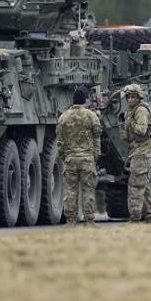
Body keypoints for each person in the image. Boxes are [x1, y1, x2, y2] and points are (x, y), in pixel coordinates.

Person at [56, 85, 101, 227]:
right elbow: (97, 138)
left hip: (70, 158)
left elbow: (60, 141)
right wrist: (95, 156)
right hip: (87, 158)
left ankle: (70, 220)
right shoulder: (91, 116)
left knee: (70, 190)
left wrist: (64, 156)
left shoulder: (64, 117)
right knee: (88, 190)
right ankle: (89, 220)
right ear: (85, 100)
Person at [121, 84, 151, 223]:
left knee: (135, 185)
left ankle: (135, 218)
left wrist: (130, 124)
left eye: (133, 97)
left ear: (139, 97)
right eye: (128, 97)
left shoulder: (140, 110)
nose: (130, 99)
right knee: (144, 186)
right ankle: (149, 216)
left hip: (142, 152)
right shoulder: (132, 111)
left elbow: (141, 130)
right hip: (137, 151)